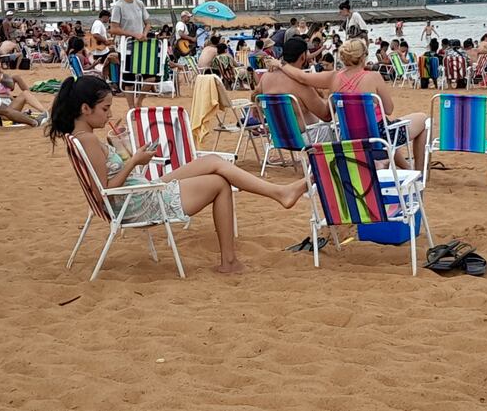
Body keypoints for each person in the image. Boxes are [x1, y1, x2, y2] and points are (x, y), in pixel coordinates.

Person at [47, 76, 308, 273]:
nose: (109, 113)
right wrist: (134, 160)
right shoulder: (88, 141)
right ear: (85, 109)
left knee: (212, 160)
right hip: (138, 202)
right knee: (218, 184)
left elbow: (108, 182)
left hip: (139, 191)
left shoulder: (82, 137)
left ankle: (280, 193)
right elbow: (107, 190)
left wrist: (126, 154)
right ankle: (229, 260)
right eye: (105, 108)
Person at [265, 39, 428, 172]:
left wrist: (280, 64)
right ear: (363, 57)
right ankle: (419, 172)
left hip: (347, 137)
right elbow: (389, 109)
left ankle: (405, 167)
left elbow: (302, 77)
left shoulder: (334, 77)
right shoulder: (374, 76)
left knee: (381, 127)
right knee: (422, 120)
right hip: (379, 137)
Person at [253, 38, 332, 135]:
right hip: (306, 138)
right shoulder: (300, 83)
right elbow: (326, 115)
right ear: (303, 57)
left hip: (279, 137)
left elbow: (255, 97)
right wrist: (331, 96)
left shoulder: (265, 77)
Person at [108, 0, 153, 109]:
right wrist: (134, 35)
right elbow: (113, 28)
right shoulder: (118, 6)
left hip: (141, 46)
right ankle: (132, 108)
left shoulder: (139, 4)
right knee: (129, 79)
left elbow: (148, 22)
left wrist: (144, 33)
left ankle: (139, 101)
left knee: (151, 77)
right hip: (126, 47)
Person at [0, 54, 49, 118]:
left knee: (25, 93)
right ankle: (45, 113)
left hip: (10, 108)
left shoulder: (4, 76)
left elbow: (11, 85)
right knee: (25, 94)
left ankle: (45, 112)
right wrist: (7, 96)